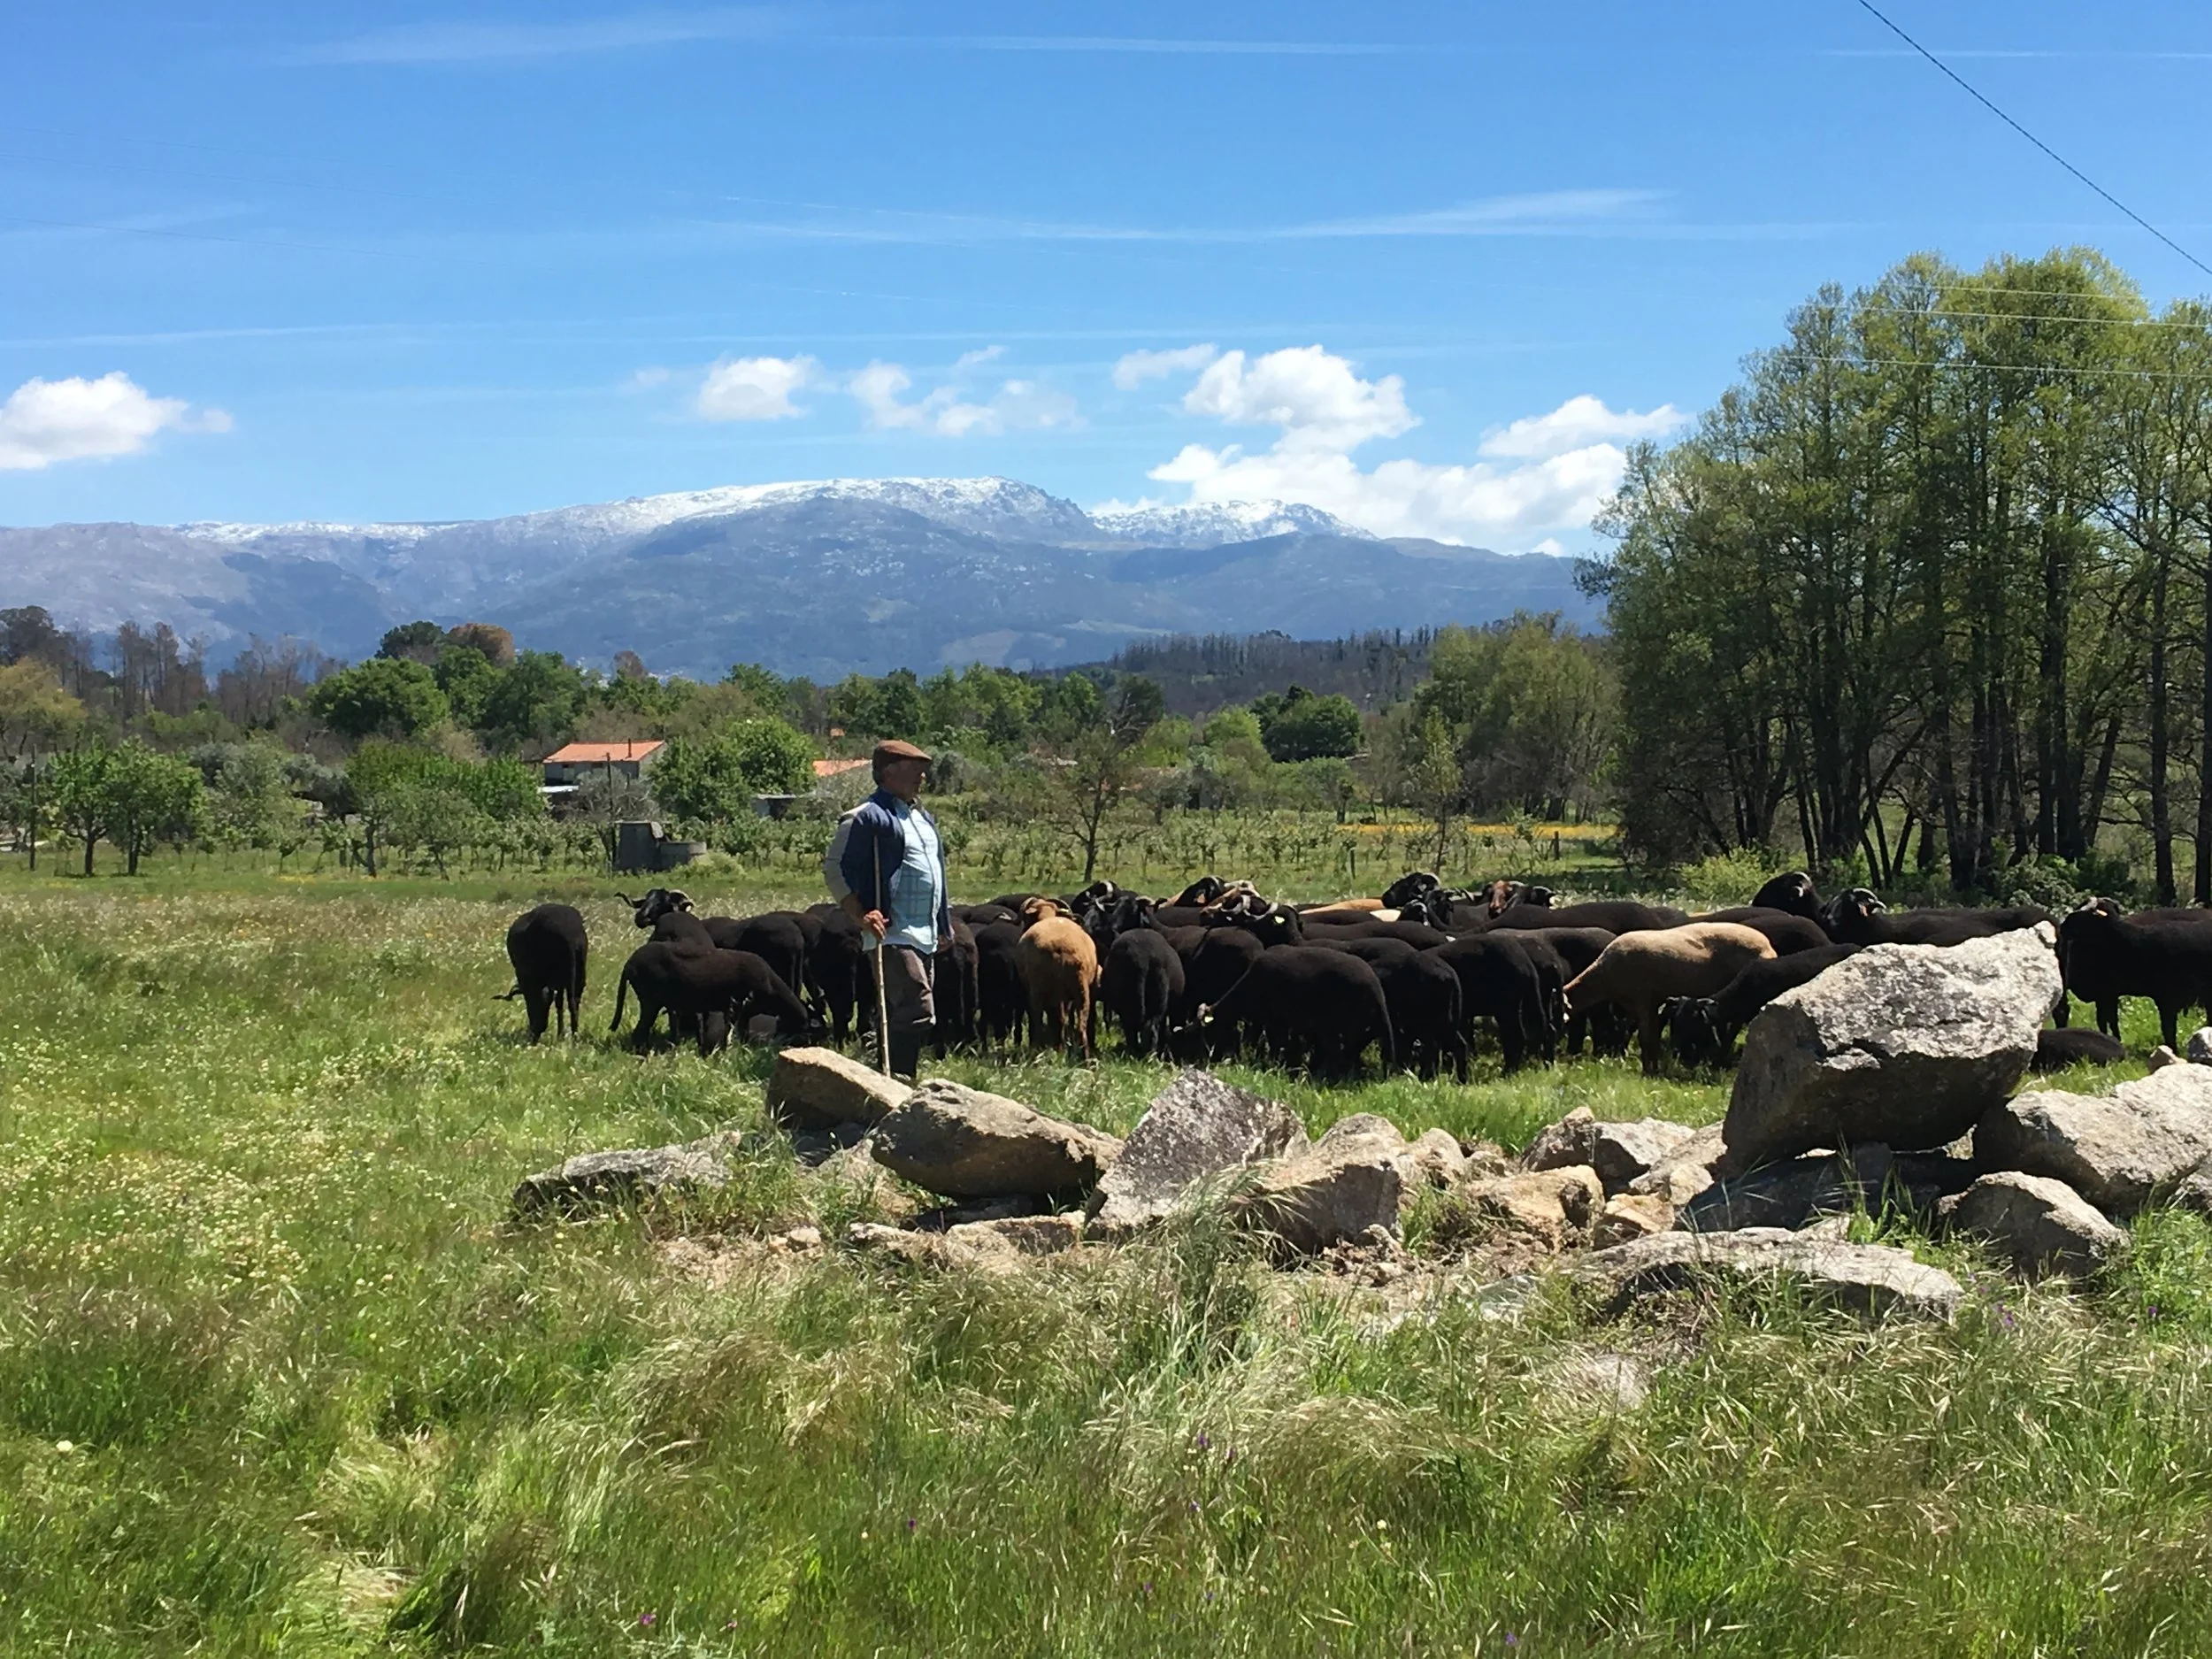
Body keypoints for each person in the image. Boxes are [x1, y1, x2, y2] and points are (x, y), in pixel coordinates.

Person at [822, 739, 953, 1080]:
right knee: (917, 1007)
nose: (922, 778)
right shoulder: (866, 817)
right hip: (892, 930)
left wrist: (943, 924)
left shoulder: (922, 818)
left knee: (903, 1009)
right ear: (889, 772)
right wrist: (860, 914)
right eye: (915, 770)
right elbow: (835, 868)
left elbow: (935, 873)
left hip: (925, 930)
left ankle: (882, 1075)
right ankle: (900, 1079)